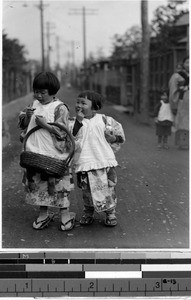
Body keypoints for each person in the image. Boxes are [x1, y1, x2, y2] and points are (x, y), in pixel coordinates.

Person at [18, 71, 76, 231]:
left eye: (43, 92)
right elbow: (23, 126)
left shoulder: (60, 108)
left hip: (54, 154)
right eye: (36, 91)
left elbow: (63, 132)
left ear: (52, 91)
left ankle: (65, 213)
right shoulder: (33, 105)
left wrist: (45, 125)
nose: (39, 95)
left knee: (58, 184)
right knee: (38, 183)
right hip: (35, 152)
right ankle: (43, 213)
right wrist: (28, 117)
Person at [70, 90, 125, 227]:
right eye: (78, 102)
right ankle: (88, 212)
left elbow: (119, 135)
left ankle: (110, 212)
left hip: (103, 160)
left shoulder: (105, 120)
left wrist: (114, 138)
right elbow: (71, 136)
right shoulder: (73, 122)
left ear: (94, 106)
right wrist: (78, 121)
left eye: (84, 103)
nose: (79, 105)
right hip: (85, 162)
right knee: (86, 190)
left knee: (107, 188)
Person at [169, 57, 189, 149]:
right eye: (187, 62)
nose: (189, 64)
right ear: (183, 64)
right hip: (184, 101)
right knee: (183, 122)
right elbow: (173, 89)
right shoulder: (178, 76)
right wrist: (174, 103)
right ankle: (184, 143)